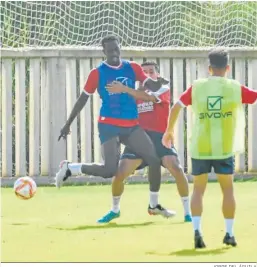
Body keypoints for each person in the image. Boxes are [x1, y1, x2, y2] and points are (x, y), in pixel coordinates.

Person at [55, 35, 169, 211]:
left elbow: (152, 88)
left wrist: (158, 82)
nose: (114, 53)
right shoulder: (97, 73)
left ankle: (153, 205)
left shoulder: (133, 68)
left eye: (117, 49)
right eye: (110, 51)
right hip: (108, 125)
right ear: (104, 52)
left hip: (131, 125)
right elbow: (82, 99)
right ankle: (71, 168)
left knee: (154, 159)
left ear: (120, 48)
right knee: (109, 170)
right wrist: (68, 123)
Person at [162, 48, 257, 248]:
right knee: (228, 189)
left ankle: (197, 231)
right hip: (223, 147)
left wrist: (169, 131)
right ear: (228, 68)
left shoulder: (197, 87)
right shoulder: (234, 87)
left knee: (198, 189)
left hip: (200, 147)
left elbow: (176, 107)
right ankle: (229, 234)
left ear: (209, 68)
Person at [97, 61, 191, 223]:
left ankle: (188, 212)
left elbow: (151, 97)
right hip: (139, 138)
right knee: (119, 174)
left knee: (176, 168)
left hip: (159, 138)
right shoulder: (133, 94)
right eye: (144, 72)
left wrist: (129, 89)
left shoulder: (163, 89)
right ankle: (115, 210)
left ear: (157, 75)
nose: (147, 75)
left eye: (151, 72)